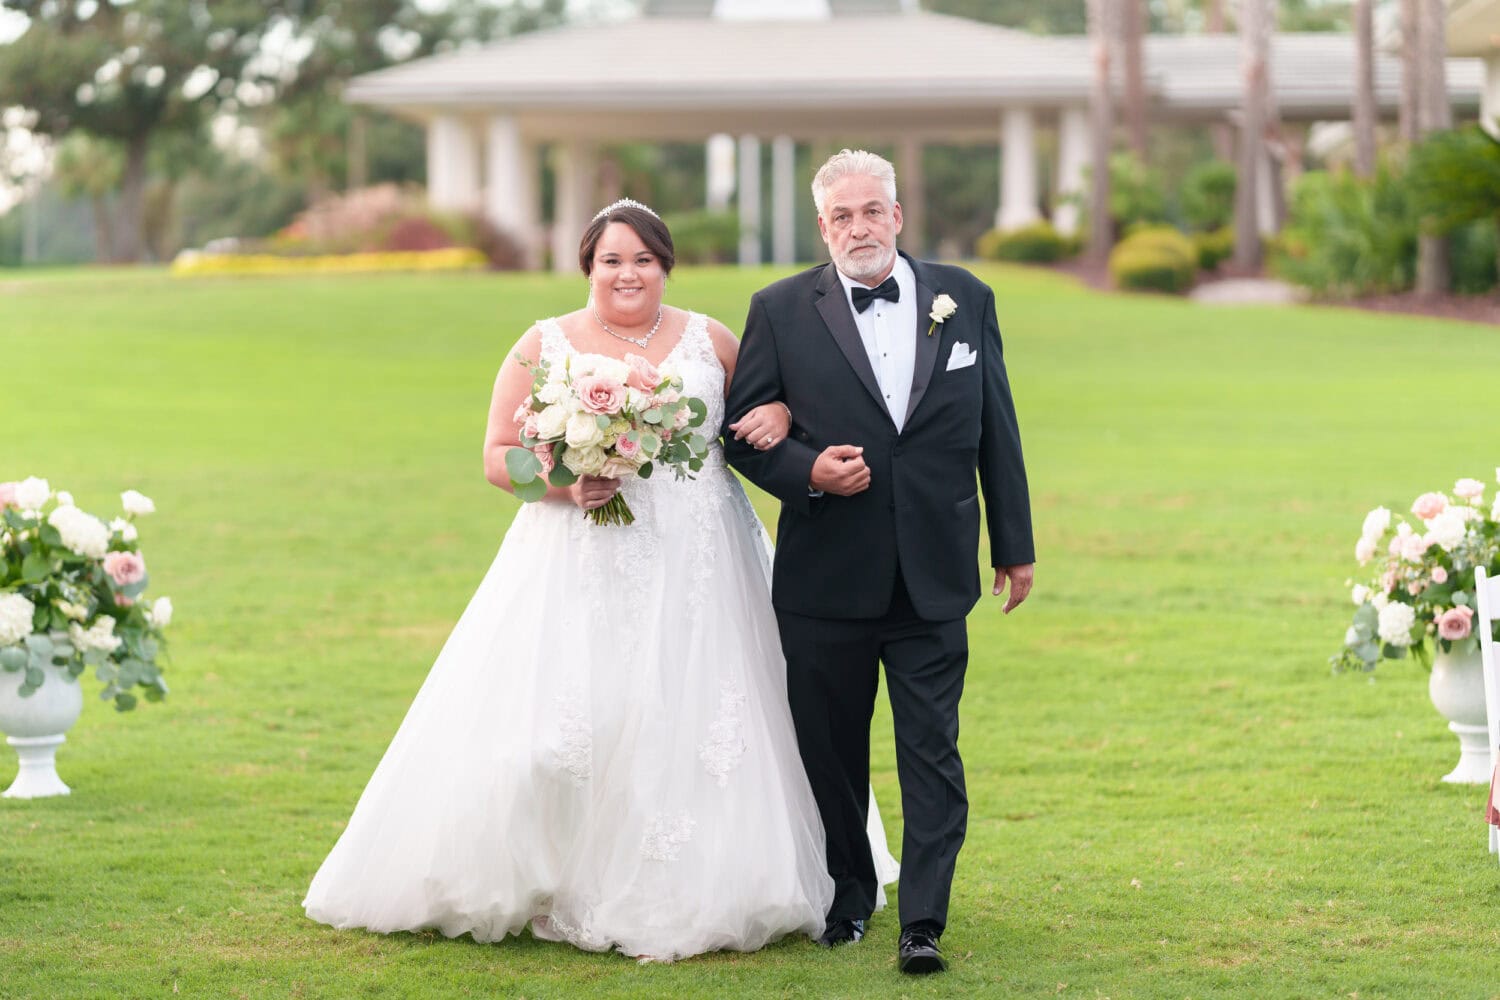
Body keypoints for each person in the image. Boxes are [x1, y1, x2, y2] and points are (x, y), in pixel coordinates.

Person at [303, 200, 896, 961]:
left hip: (702, 559)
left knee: (709, 711)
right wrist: (564, 483)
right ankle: (557, 871)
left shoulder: (710, 338)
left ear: (665, 266)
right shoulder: (543, 344)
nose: (628, 274)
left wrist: (778, 408)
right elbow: (495, 457)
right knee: (574, 718)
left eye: (644, 260)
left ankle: (731, 875)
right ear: (588, 264)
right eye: (612, 259)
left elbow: (771, 405)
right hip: (579, 557)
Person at [723, 149, 1035, 975]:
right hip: (826, 577)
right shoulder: (781, 309)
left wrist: (1015, 544)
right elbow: (743, 434)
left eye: (872, 211)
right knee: (830, 750)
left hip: (935, 572)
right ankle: (849, 898)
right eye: (841, 216)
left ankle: (923, 922)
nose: (858, 227)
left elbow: (995, 422)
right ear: (821, 226)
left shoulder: (963, 297)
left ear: (898, 215)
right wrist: (808, 473)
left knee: (933, 750)